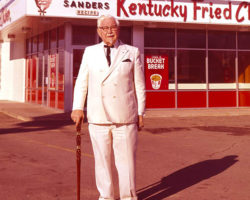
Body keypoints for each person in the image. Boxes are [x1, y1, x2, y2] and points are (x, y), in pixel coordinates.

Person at [71, 14, 146, 200]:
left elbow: (139, 85)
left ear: (118, 29)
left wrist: (141, 111)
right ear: (98, 31)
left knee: (126, 163)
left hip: (125, 116)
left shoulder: (132, 52)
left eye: (112, 27)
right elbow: (82, 82)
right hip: (98, 116)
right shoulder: (90, 52)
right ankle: (106, 197)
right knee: (102, 162)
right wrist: (77, 107)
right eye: (104, 28)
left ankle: (128, 197)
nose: (109, 31)